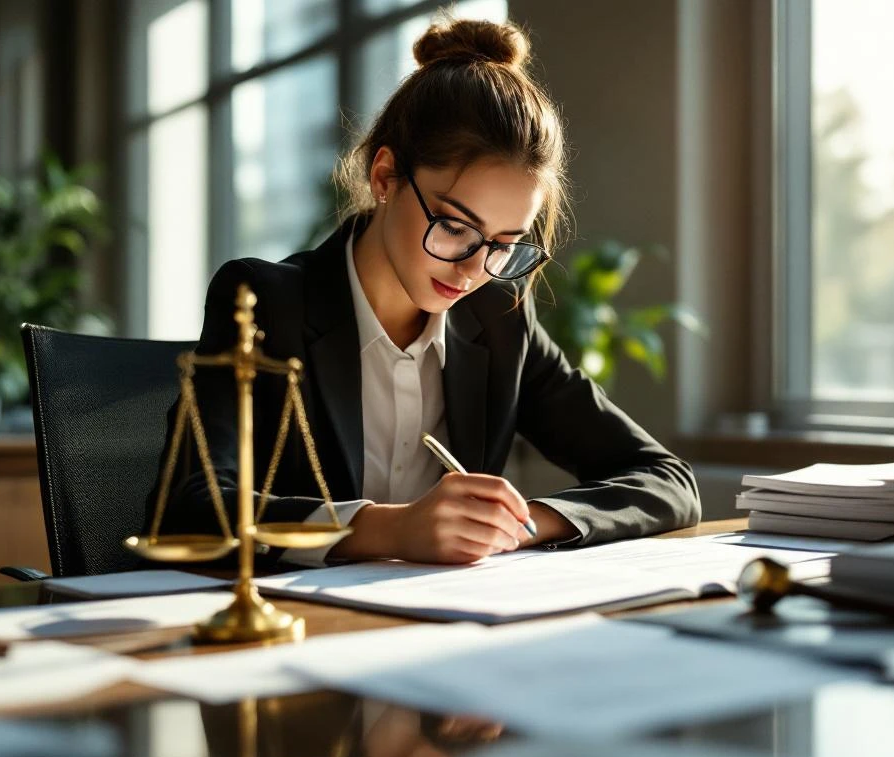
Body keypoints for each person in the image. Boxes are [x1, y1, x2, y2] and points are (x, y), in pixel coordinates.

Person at [146, 15, 700, 567]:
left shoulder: (498, 318)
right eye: (455, 227)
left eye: (504, 243)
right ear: (384, 177)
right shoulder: (266, 301)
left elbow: (666, 481)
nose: (472, 269)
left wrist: (514, 525)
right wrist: (389, 529)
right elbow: (188, 510)